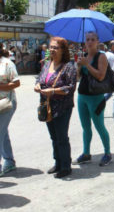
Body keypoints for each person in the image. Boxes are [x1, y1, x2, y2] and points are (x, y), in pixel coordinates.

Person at [34, 37, 77, 178]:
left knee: (61, 137)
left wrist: (53, 91)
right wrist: (38, 85)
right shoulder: (47, 64)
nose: (52, 50)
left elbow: (70, 87)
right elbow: (39, 78)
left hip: (62, 107)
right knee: (53, 136)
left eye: (56, 48)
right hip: (47, 106)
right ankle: (58, 162)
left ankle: (65, 166)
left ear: (63, 50)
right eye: (51, 47)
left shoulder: (69, 66)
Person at [74, 31, 112, 166]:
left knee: (99, 125)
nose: (89, 42)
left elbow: (101, 76)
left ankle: (107, 153)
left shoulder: (101, 57)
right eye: (87, 39)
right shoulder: (83, 56)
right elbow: (78, 78)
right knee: (85, 127)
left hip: (96, 97)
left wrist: (87, 65)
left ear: (97, 42)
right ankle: (86, 153)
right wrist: (79, 66)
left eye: (92, 39)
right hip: (82, 96)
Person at [0, 47, 20, 177]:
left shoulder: (7, 63)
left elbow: (16, 83)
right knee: (3, 132)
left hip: (6, 103)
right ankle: (9, 161)